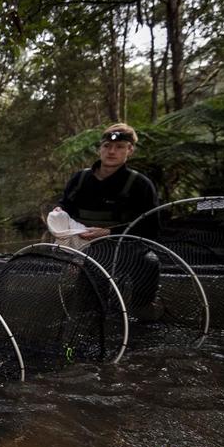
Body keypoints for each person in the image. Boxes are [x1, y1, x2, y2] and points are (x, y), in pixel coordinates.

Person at [57, 123, 161, 316]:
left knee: (151, 261)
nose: (112, 151)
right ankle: (89, 313)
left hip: (126, 248)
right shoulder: (79, 179)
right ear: (100, 148)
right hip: (83, 246)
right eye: (107, 146)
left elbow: (151, 227)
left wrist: (110, 232)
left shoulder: (140, 184)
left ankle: (142, 311)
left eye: (119, 147)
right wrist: (58, 212)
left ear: (130, 150)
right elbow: (65, 208)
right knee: (87, 308)